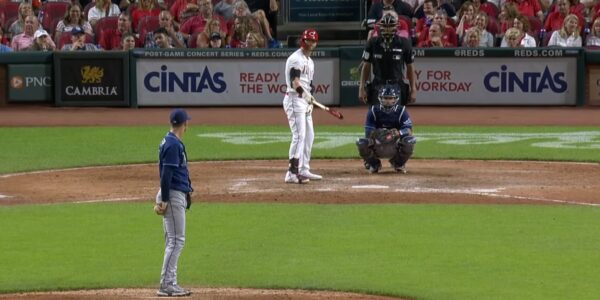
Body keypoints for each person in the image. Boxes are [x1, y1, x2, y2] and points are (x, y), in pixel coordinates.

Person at [154, 108, 193, 297]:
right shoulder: (172, 145)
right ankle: (167, 284)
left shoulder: (170, 141)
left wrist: (187, 193)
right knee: (177, 241)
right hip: (172, 194)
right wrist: (165, 199)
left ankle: (170, 282)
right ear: (184, 124)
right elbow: (166, 174)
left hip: (175, 192)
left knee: (173, 240)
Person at [283, 28, 322, 184]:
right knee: (299, 136)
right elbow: (295, 82)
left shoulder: (310, 62)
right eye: (308, 40)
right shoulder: (296, 59)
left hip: (305, 102)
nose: (310, 43)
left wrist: (310, 98)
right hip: (294, 99)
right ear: (303, 40)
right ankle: (292, 173)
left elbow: (309, 85)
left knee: (309, 136)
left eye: (313, 41)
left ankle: (304, 168)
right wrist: (306, 95)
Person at [355, 84, 416, 174]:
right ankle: (374, 164)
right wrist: (379, 133)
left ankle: (398, 163)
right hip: (378, 143)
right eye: (385, 98)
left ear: (395, 99)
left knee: (410, 140)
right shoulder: (373, 111)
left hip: (395, 144)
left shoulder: (401, 111)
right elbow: (368, 133)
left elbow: (409, 130)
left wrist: (397, 133)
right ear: (380, 98)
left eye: (390, 98)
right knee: (361, 142)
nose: (388, 101)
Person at [359, 13, 417, 107]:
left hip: (397, 84)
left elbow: (410, 67)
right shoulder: (373, 42)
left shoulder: (404, 43)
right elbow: (366, 66)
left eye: (390, 26)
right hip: (378, 84)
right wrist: (361, 88)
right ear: (380, 26)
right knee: (376, 116)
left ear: (396, 26)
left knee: (396, 116)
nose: (387, 29)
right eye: (385, 26)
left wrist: (413, 88)